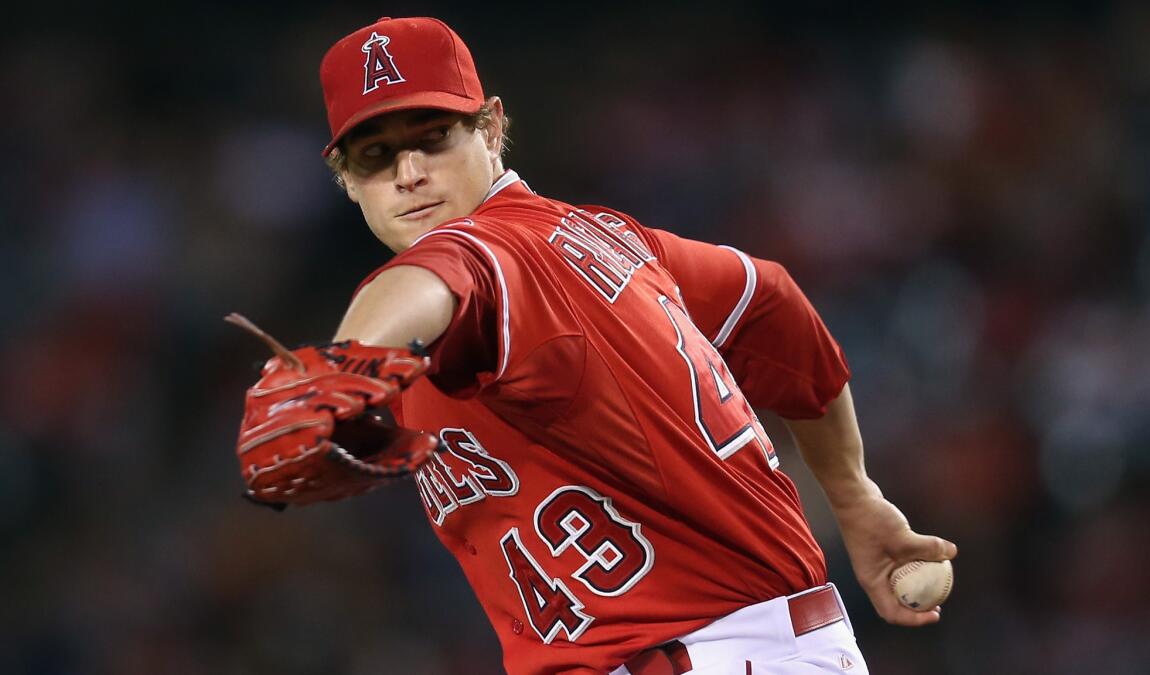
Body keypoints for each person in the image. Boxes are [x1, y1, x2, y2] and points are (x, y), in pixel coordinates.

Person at [234, 15, 958, 675]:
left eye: (433, 136)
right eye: (376, 155)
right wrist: (855, 496)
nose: (410, 174)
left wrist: (348, 353)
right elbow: (770, 304)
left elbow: (437, 275)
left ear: (491, 128)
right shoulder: (615, 240)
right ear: (346, 180)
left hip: (713, 652)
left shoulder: (492, 253)